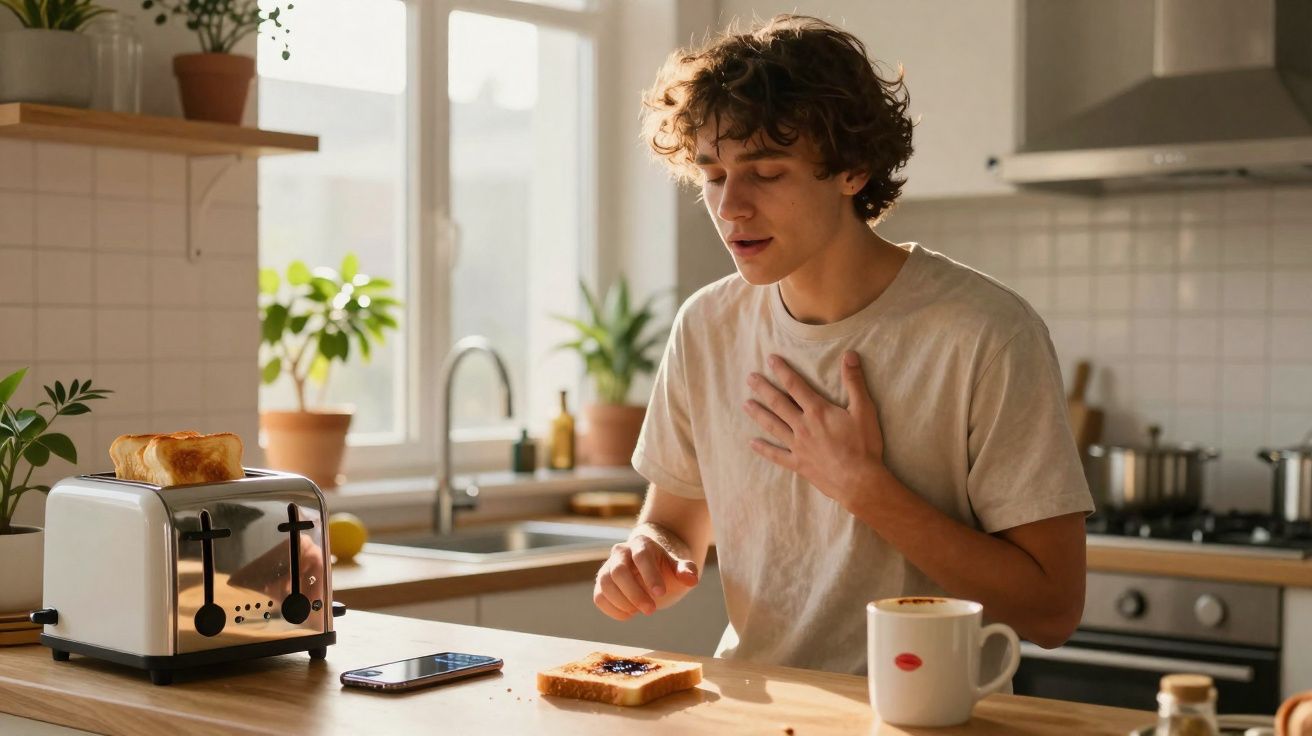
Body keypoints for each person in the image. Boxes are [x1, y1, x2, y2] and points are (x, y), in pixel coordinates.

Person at [592, 14, 1094, 675]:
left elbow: (1052, 610)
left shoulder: (986, 333)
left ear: (853, 169)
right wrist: (646, 554)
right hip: (758, 709)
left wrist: (866, 488)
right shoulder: (706, 328)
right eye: (713, 174)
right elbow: (676, 525)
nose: (730, 206)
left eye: (766, 172)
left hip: (927, 717)